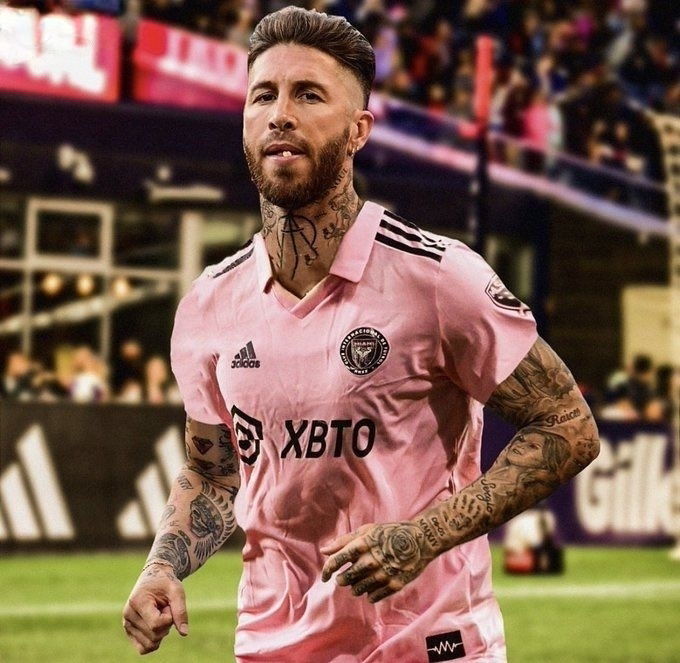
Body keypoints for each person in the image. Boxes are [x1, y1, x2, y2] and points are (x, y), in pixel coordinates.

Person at [122, 7, 599, 661]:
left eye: (308, 95)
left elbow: (567, 425)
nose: (280, 114)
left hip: (425, 643)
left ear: (358, 131)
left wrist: (424, 537)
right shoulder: (209, 305)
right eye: (264, 95)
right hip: (272, 646)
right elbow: (212, 473)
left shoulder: (438, 278)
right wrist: (162, 565)